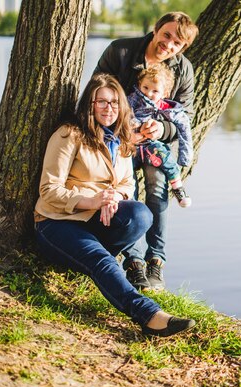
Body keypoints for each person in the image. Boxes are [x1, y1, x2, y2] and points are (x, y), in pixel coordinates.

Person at [34, 73, 195, 338]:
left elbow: (126, 184)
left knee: (140, 215)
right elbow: (48, 190)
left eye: (114, 103)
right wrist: (92, 201)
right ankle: (149, 315)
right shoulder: (69, 134)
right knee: (101, 260)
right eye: (102, 102)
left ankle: (95, 262)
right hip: (57, 222)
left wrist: (113, 199)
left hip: (97, 220)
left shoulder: (121, 140)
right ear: (90, 104)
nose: (109, 109)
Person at [94, 12, 199, 292]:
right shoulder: (121, 51)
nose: (169, 45)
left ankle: (156, 261)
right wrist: (125, 129)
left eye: (177, 43)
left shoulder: (184, 71)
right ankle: (134, 262)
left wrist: (160, 130)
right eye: (166, 35)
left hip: (153, 143)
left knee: (156, 185)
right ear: (156, 30)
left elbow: (183, 118)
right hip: (117, 138)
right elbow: (97, 94)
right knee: (125, 191)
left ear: (183, 47)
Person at [129, 63, 193, 210]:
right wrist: (135, 126)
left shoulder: (166, 108)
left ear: (165, 93)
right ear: (140, 84)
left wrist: (185, 155)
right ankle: (133, 207)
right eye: (145, 87)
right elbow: (123, 116)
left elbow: (184, 127)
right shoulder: (132, 100)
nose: (148, 93)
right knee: (126, 173)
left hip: (152, 146)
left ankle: (178, 188)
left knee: (166, 159)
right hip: (131, 146)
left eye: (155, 91)